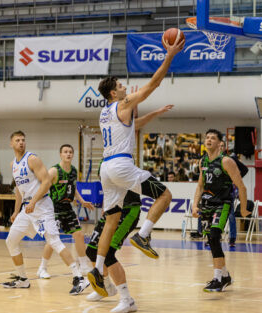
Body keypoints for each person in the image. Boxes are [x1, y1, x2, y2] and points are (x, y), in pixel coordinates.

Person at [87, 36, 184, 297]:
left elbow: (133, 127)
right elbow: (154, 83)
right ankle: (143, 234)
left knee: (110, 220)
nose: (124, 87)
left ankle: (97, 270)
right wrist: (170, 55)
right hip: (121, 166)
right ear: (113, 93)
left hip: (105, 169)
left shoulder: (105, 112)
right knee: (165, 195)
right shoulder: (124, 103)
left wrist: (155, 113)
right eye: (120, 85)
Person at [3, 130, 87, 294]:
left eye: (23, 140)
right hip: (27, 209)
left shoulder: (32, 159)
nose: (21, 142)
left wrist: (33, 202)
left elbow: (47, 182)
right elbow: (19, 190)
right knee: (11, 241)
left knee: (54, 241)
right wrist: (15, 211)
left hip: (41, 206)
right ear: (11, 144)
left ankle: (79, 278)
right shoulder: (13, 164)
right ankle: (22, 279)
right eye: (17, 140)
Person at [192, 129, 249, 292]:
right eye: (207, 137)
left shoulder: (226, 161)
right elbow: (200, 186)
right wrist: (195, 205)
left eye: (213, 138)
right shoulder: (203, 161)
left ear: (219, 143)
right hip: (207, 205)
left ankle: (217, 279)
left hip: (222, 204)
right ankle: (225, 276)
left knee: (214, 236)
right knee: (211, 240)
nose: (209, 140)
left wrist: (243, 209)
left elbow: (241, 187)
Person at [36, 144, 95, 288]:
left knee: (79, 235)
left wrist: (82, 201)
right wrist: (37, 203)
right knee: (52, 240)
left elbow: (73, 189)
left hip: (68, 207)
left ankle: (83, 265)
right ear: (60, 154)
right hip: (53, 208)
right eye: (65, 152)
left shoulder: (74, 171)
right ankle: (42, 268)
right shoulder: (54, 171)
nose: (68, 154)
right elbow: (42, 185)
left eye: (70, 152)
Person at [86, 190, 141, 312]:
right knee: (91, 250)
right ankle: (105, 287)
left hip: (127, 209)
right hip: (111, 210)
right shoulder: (103, 170)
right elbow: (107, 186)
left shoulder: (126, 170)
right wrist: (106, 205)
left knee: (108, 253)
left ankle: (127, 300)